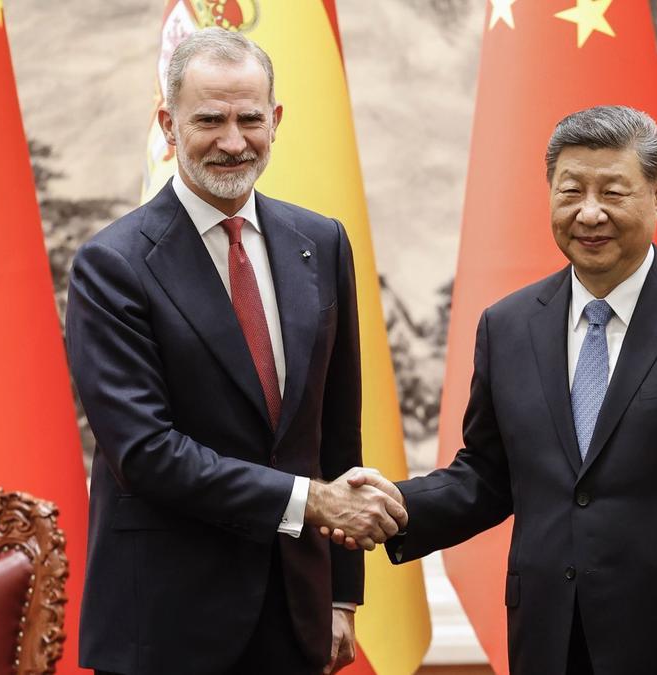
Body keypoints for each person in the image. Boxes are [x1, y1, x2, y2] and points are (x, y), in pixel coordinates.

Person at [339, 106, 657, 674]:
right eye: (571, 192)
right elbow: (488, 474)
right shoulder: (508, 325)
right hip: (551, 640)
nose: (590, 213)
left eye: (613, 192)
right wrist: (396, 506)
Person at [66, 28, 406, 675]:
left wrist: (341, 591)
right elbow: (144, 452)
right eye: (209, 119)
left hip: (295, 613)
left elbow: (337, 429)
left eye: (250, 118)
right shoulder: (112, 266)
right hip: (165, 625)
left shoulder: (321, 242)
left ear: (275, 120)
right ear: (168, 124)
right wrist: (308, 501)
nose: (232, 140)